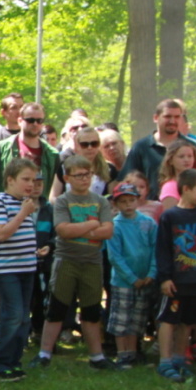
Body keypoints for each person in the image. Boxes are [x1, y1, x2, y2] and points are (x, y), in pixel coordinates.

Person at [30, 155, 115, 369]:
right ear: (67, 178)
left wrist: (80, 229)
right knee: (57, 308)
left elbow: (108, 231)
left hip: (92, 262)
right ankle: (44, 353)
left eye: (88, 174)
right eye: (79, 175)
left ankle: (97, 357)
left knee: (91, 311)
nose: (84, 179)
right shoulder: (62, 201)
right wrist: (93, 224)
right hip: (66, 261)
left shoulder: (101, 201)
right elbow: (63, 230)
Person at [155, 168, 196, 382]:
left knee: (188, 321)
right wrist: (165, 277)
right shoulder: (170, 216)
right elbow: (163, 249)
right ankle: (165, 361)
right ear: (186, 189)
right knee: (169, 319)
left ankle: (179, 359)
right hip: (176, 281)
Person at [0, 159, 40, 381]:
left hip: (27, 267)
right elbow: (1, 234)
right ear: (10, 179)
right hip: (7, 269)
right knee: (13, 315)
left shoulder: (26, 203)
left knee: (23, 317)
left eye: (33, 180)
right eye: (25, 179)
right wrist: (23, 214)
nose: (31, 184)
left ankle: (14, 362)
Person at [105, 181, 159, 368]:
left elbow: (156, 249)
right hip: (123, 282)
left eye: (131, 200)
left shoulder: (148, 223)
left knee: (138, 319)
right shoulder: (115, 225)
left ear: (138, 200)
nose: (128, 205)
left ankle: (133, 352)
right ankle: (122, 354)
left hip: (145, 279)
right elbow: (115, 256)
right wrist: (131, 278)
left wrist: (152, 273)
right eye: (123, 201)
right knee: (121, 319)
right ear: (115, 204)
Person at [0, 102, 59, 196]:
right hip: (7, 203)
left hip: (39, 204)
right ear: (20, 121)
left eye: (39, 121)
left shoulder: (52, 154)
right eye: (30, 120)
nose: (35, 124)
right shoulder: (2, 147)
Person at [122, 99, 186, 198]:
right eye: (167, 116)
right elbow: (127, 180)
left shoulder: (191, 146)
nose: (172, 121)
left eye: (177, 117)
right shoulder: (141, 147)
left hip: (183, 205)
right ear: (156, 118)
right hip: (149, 204)